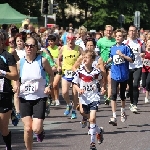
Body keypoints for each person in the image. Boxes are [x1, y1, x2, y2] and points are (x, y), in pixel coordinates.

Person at [17, 37, 54, 150]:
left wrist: (49, 86)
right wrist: (15, 87)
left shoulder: (42, 61)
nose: (29, 48)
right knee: (28, 128)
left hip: (39, 98)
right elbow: (16, 79)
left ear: (36, 47)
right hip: (24, 98)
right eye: (27, 45)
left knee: (36, 129)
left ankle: (40, 131)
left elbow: (51, 74)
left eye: (32, 46)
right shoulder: (20, 63)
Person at [72, 50, 104, 150]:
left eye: (87, 57)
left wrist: (102, 88)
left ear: (92, 60)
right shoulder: (79, 72)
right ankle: (99, 130)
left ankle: (92, 143)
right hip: (84, 98)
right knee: (84, 113)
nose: (85, 59)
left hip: (94, 96)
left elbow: (101, 80)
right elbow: (74, 84)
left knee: (93, 118)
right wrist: (79, 90)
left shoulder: (96, 71)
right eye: (83, 57)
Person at [106, 29, 135, 126]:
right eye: (117, 36)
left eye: (120, 36)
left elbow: (132, 60)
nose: (118, 37)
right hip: (114, 74)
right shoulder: (112, 47)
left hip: (123, 75)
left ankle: (123, 111)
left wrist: (122, 55)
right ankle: (114, 116)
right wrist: (107, 61)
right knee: (113, 94)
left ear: (123, 38)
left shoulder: (126, 47)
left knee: (122, 95)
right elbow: (111, 57)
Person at [0, 32, 19, 150]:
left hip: (4, 94)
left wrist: (3, 73)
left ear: (1, 41)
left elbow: (15, 75)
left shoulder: (7, 56)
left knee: (3, 128)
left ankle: (8, 146)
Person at [57, 33, 83, 119]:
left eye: (72, 39)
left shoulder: (79, 48)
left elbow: (84, 57)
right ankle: (69, 104)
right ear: (67, 40)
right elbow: (59, 58)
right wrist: (59, 66)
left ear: (75, 39)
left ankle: (74, 111)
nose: (71, 41)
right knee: (64, 92)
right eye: (69, 39)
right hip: (66, 72)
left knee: (75, 94)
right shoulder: (63, 48)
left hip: (76, 73)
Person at [123, 25, 145, 113]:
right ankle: (132, 103)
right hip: (128, 67)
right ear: (128, 32)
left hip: (138, 66)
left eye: (134, 31)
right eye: (131, 31)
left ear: (136, 32)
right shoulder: (125, 42)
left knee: (136, 84)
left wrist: (143, 54)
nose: (132, 32)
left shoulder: (141, 42)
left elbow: (144, 51)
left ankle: (135, 104)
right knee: (131, 86)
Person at [97, 25, 116, 105]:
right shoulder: (100, 41)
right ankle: (105, 94)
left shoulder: (115, 41)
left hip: (111, 63)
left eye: (110, 30)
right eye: (107, 30)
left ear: (112, 31)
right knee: (103, 81)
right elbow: (97, 52)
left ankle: (108, 98)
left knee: (109, 80)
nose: (109, 32)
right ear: (105, 31)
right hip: (102, 63)